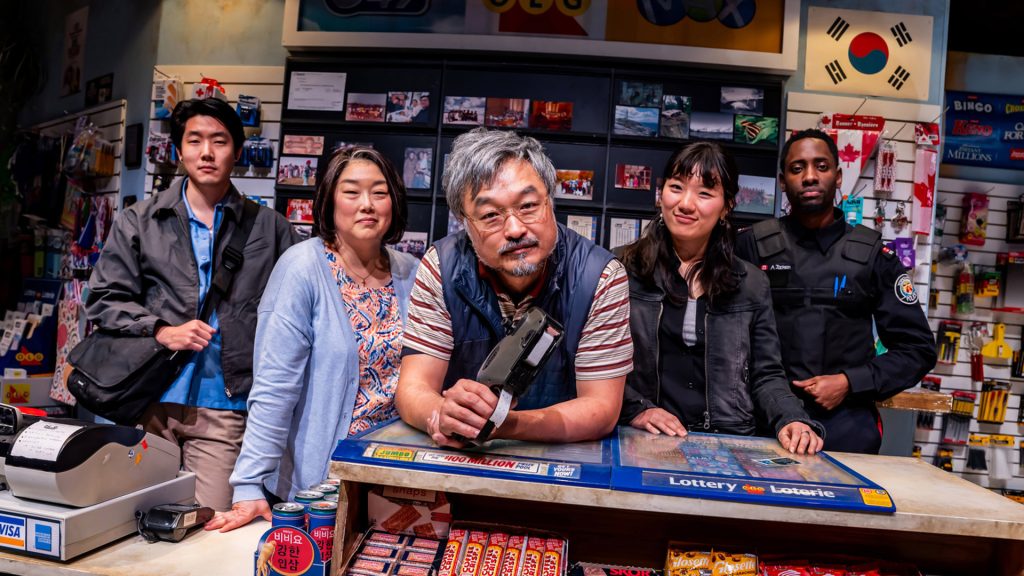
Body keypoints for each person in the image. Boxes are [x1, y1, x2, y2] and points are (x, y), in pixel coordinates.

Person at [85, 98, 298, 511]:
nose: (206, 152)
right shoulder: (140, 221)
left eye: (219, 141)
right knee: (134, 522)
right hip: (147, 397)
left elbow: (298, 310)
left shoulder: (271, 229)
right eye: (194, 140)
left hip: (225, 404)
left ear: (237, 151)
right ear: (178, 150)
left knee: (211, 522)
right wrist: (160, 330)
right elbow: (103, 298)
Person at [206, 146, 419, 532]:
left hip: (395, 479)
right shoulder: (302, 268)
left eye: (380, 192)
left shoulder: (411, 272)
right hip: (319, 488)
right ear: (329, 200)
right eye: (351, 192)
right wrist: (250, 484)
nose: (367, 204)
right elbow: (274, 387)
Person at [395, 128, 632, 446]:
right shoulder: (441, 267)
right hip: (460, 463)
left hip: (565, 466)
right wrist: (442, 414)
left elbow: (601, 409)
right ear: (465, 223)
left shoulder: (600, 277)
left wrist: (505, 425)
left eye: (529, 206)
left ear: (550, 201)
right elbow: (412, 388)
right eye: (491, 215)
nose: (516, 228)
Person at [735, 129, 937, 454]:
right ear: (783, 181)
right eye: (797, 168)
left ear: (839, 176)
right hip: (762, 421)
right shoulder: (750, 246)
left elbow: (917, 350)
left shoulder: (873, 256)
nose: (810, 176)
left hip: (845, 425)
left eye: (821, 166)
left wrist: (850, 382)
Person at [619, 142, 824, 454]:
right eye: (676, 187)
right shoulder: (622, 269)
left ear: (727, 205)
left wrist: (791, 419)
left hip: (728, 443)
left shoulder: (751, 283)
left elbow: (766, 374)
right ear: (661, 194)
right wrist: (636, 409)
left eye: (704, 193)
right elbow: (596, 364)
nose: (685, 203)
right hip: (644, 440)